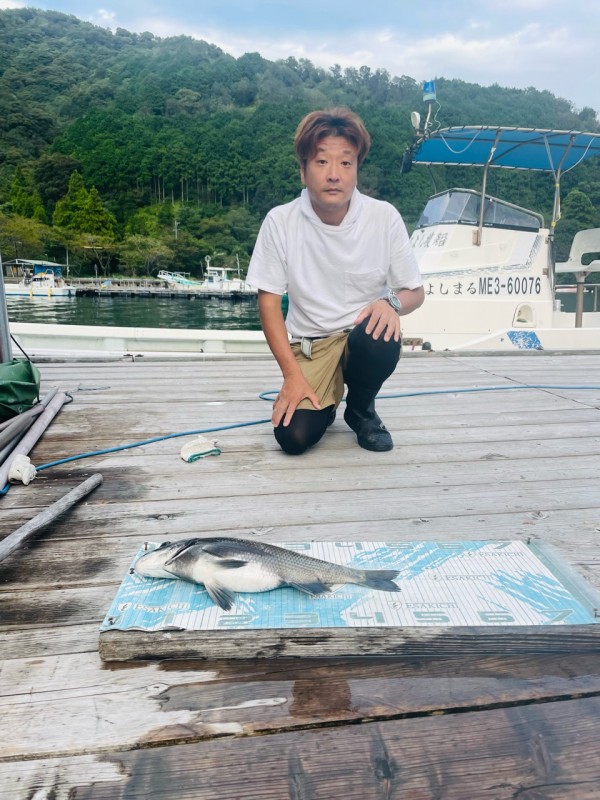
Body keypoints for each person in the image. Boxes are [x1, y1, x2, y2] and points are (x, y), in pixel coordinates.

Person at [247, 107, 424, 455]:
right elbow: (268, 302)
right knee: (293, 437)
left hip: (361, 339)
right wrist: (291, 376)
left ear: (357, 169)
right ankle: (324, 403)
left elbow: (415, 292)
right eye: (321, 162)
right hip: (311, 345)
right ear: (303, 171)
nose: (334, 175)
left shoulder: (383, 217)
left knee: (380, 328)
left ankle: (361, 410)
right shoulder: (280, 222)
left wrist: (391, 303)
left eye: (345, 163)